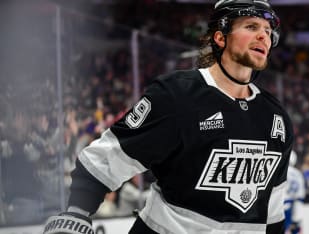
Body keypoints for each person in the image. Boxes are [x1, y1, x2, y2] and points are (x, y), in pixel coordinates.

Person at [43, 0, 294, 233]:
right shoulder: (178, 95)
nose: (264, 35)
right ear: (220, 37)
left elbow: (272, 209)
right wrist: (77, 211)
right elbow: (109, 157)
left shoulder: (276, 117)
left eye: (268, 30)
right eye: (251, 26)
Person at [283, 151, 305, 234]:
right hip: (297, 203)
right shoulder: (298, 173)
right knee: (295, 229)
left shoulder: (283, 171)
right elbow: (301, 192)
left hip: (284, 205)